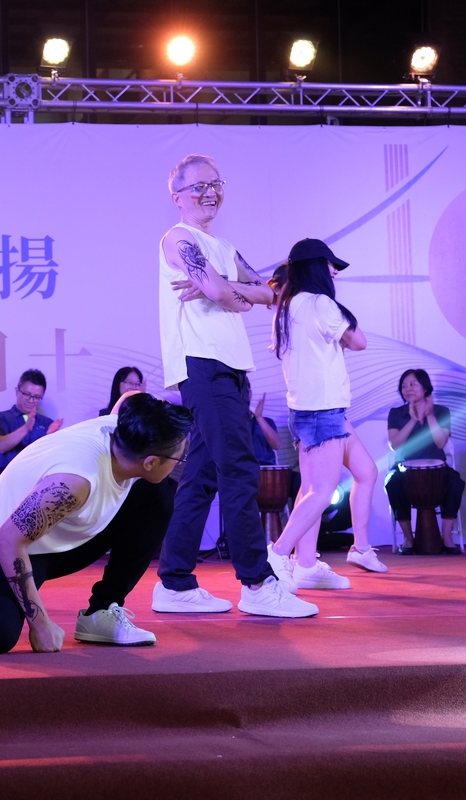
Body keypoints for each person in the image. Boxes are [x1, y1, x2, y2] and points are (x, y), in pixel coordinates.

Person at [152, 154, 315, 618]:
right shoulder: (179, 238)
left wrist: (222, 287)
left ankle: (175, 582)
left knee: (201, 478)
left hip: (229, 369)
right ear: (177, 195)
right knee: (241, 470)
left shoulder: (221, 246)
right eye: (199, 185)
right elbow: (232, 293)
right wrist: (226, 290)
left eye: (216, 183)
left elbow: (270, 292)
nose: (210, 192)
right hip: (202, 366)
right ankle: (257, 582)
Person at [0, 393, 190, 654]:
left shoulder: (124, 425)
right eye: (178, 458)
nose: (179, 463)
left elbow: (130, 396)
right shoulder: (75, 480)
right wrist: (41, 624)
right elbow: (7, 540)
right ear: (150, 462)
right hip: (0, 545)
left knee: (156, 497)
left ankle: (101, 611)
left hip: (60, 536)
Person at [265, 239, 384, 597]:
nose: (335, 272)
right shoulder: (321, 304)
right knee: (320, 492)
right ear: (316, 266)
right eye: (331, 265)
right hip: (323, 411)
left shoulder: (287, 307)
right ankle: (278, 554)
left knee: (323, 485)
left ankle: (306, 565)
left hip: (307, 410)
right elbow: (359, 341)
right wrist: (343, 320)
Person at [386, 368, 465, 554]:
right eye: (404, 386)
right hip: (404, 469)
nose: (408, 389)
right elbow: (394, 445)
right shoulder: (396, 413)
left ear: (425, 387)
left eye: (413, 384)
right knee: (393, 484)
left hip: (438, 469)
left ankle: (447, 537)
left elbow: (441, 442)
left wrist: (429, 415)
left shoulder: (442, 411)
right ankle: (408, 539)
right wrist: (413, 420)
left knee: (455, 483)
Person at [0, 368, 63, 483]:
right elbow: (1, 446)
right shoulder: (1, 417)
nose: (31, 400)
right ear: (17, 391)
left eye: (36, 397)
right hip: (7, 477)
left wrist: (49, 437)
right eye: (27, 394)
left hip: (37, 478)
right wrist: (26, 428)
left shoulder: (47, 423)